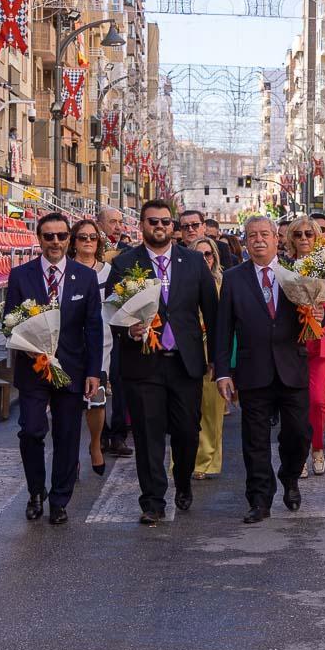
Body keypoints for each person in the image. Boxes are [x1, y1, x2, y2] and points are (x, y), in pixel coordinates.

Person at [107, 199, 219, 525]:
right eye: (153, 221)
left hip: (185, 363)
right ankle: (153, 501)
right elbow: (112, 313)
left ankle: (182, 481)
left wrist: (218, 362)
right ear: (142, 225)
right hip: (143, 364)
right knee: (147, 435)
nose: (160, 227)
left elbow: (212, 314)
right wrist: (129, 330)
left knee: (187, 431)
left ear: (174, 228)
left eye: (166, 222)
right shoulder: (125, 263)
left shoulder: (195, 262)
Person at [4, 212, 103, 525]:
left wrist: (94, 372)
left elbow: (93, 327)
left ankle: (60, 499)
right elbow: (10, 322)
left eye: (62, 236)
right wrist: (31, 346)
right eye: (49, 236)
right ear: (39, 239)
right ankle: (36, 492)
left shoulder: (85, 277)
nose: (56, 242)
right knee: (31, 430)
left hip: (72, 368)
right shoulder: (20, 276)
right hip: (34, 368)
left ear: (69, 240)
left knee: (67, 435)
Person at [214, 217, 310, 523]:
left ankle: (290, 475)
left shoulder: (295, 274)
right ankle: (259, 499)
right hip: (252, 369)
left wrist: (315, 312)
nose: (259, 240)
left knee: (298, 433)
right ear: (245, 241)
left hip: (291, 367)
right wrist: (223, 371)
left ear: (276, 240)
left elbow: (310, 320)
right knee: (254, 440)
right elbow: (223, 328)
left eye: (265, 235)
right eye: (252, 235)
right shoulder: (233, 278)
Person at [286, 217, 325, 478]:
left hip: (322, 341)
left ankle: (317, 447)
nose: (304, 238)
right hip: (291, 343)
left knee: (318, 401)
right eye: (298, 234)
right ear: (291, 239)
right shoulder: (284, 268)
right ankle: (299, 453)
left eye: (309, 233)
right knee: (295, 403)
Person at [69, 218, 112, 476]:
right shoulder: (65, 270)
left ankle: (95, 444)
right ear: (73, 242)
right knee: (70, 404)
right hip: (71, 345)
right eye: (82, 237)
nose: (88, 241)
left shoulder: (109, 272)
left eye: (92, 237)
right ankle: (69, 454)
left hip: (101, 341)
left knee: (97, 399)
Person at [96, 205, 132, 456]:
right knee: (97, 380)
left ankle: (119, 435)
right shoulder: (88, 253)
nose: (118, 227)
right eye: (112, 222)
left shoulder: (129, 254)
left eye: (120, 222)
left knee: (120, 381)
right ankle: (100, 434)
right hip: (94, 326)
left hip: (119, 327)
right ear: (99, 224)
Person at [190, 236, 225, 479]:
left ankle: (207, 461)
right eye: (199, 255)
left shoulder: (225, 283)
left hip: (215, 350)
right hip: (190, 350)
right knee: (189, 410)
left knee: (212, 410)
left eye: (208, 254)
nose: (205, 259)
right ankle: (186, 459)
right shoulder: (184, 282)